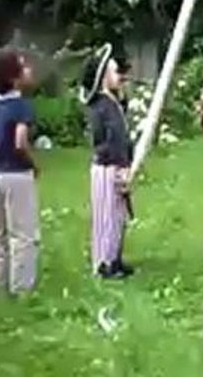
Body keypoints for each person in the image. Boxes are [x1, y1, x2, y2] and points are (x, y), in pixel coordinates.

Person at [0, 47, 40, 295]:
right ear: (13, 77)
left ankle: (2, 285)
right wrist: (34, 164)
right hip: (18, 174)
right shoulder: (21, 106)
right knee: (23, 234)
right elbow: (20, 141)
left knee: (0, 234)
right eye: (24, 65)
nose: (29, 68)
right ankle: (22, 289)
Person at [80, 43, 135, 279]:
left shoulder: (113, 102)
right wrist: (120, 166)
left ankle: (115, 258)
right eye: (115, 72)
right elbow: (111, 140)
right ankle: (104, 264)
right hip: (107, 167)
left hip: (117, 165)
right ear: (102, 78)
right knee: (106, 217)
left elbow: (122, 134)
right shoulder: (101, 106)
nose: (120, 76)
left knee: (119, 216)